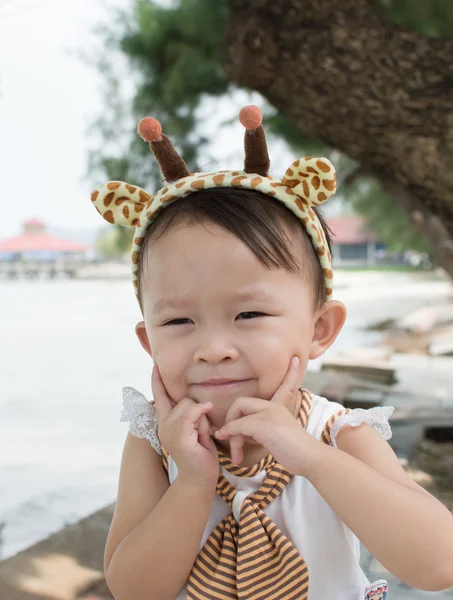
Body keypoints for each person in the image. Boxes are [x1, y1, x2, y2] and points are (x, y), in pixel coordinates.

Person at [90, 106, 453, 600]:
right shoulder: (156, 444)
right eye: (178, 321)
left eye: (250, 315)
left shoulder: (337, 434)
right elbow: (133, 589)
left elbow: (437, 563)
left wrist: (310, 459)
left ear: (320, 329)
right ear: (149, 341)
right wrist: (193, 482)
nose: (214, 349)